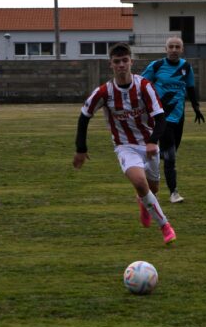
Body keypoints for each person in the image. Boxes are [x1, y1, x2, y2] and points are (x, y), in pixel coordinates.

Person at [73, 43, 176, 245]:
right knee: (139, 182)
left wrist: (153, 141)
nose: (121, 65)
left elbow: (161, 118)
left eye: (125, 61)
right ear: (110, 64)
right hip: (124, 146)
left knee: (152, 188)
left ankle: (143, 202)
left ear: (131, 62)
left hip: (148, 143)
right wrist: (81, 149)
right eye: (117, 62)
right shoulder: (104, 92)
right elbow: (84, 116)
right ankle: (165, 226)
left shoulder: (144, 86)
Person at [140, 36, 205, 204]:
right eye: (171, 46)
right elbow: (141, 84)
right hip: (162, 117)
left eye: (177, 47)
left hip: (179, 116)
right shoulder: (157, 66)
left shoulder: (186, 67)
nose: (174, 49)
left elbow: (190, 88)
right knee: (170, 157)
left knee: (170, 152)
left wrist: (196, 108)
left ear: (182, 50)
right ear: (166, 49)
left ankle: (154, 160)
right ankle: (173, 193)